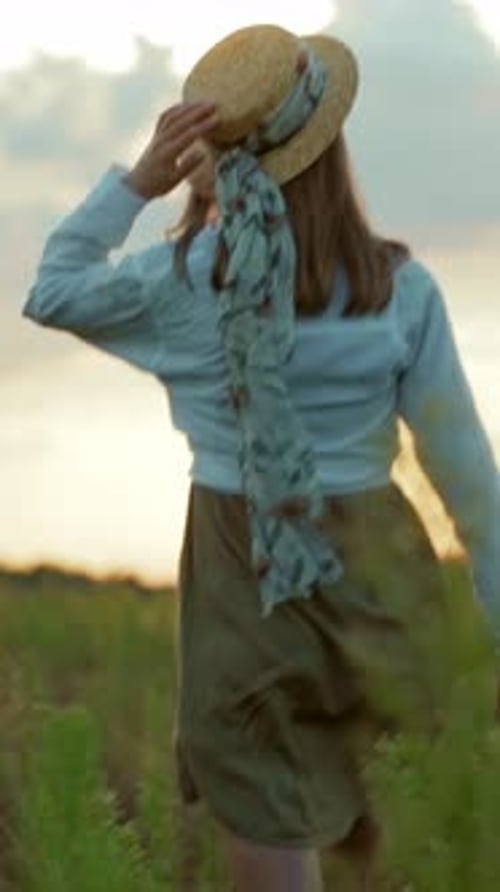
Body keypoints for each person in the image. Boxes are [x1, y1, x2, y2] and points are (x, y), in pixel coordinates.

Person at [22, 23, 500, 892]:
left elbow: (52, 288)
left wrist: (138, 181)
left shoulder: (179, 287)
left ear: (212, 157)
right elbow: (466, 476)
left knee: (272, 858)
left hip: (241, 573)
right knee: (400, 852)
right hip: (379, 578)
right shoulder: (403, 291)